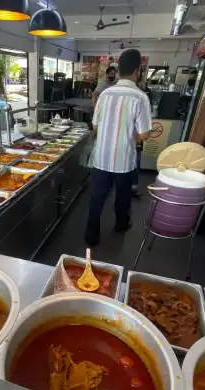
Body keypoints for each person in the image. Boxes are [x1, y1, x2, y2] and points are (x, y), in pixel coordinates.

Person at [85, 49, 152, 246]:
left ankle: (91, 234)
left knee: (97, 197)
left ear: (118, 69)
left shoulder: (104, 94)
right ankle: (121, 224)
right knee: (123, 197)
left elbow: (95, 126)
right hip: (124, 159)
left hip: (101, 157)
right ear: (137, 70)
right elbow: (144, 134)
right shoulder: (140, 97)